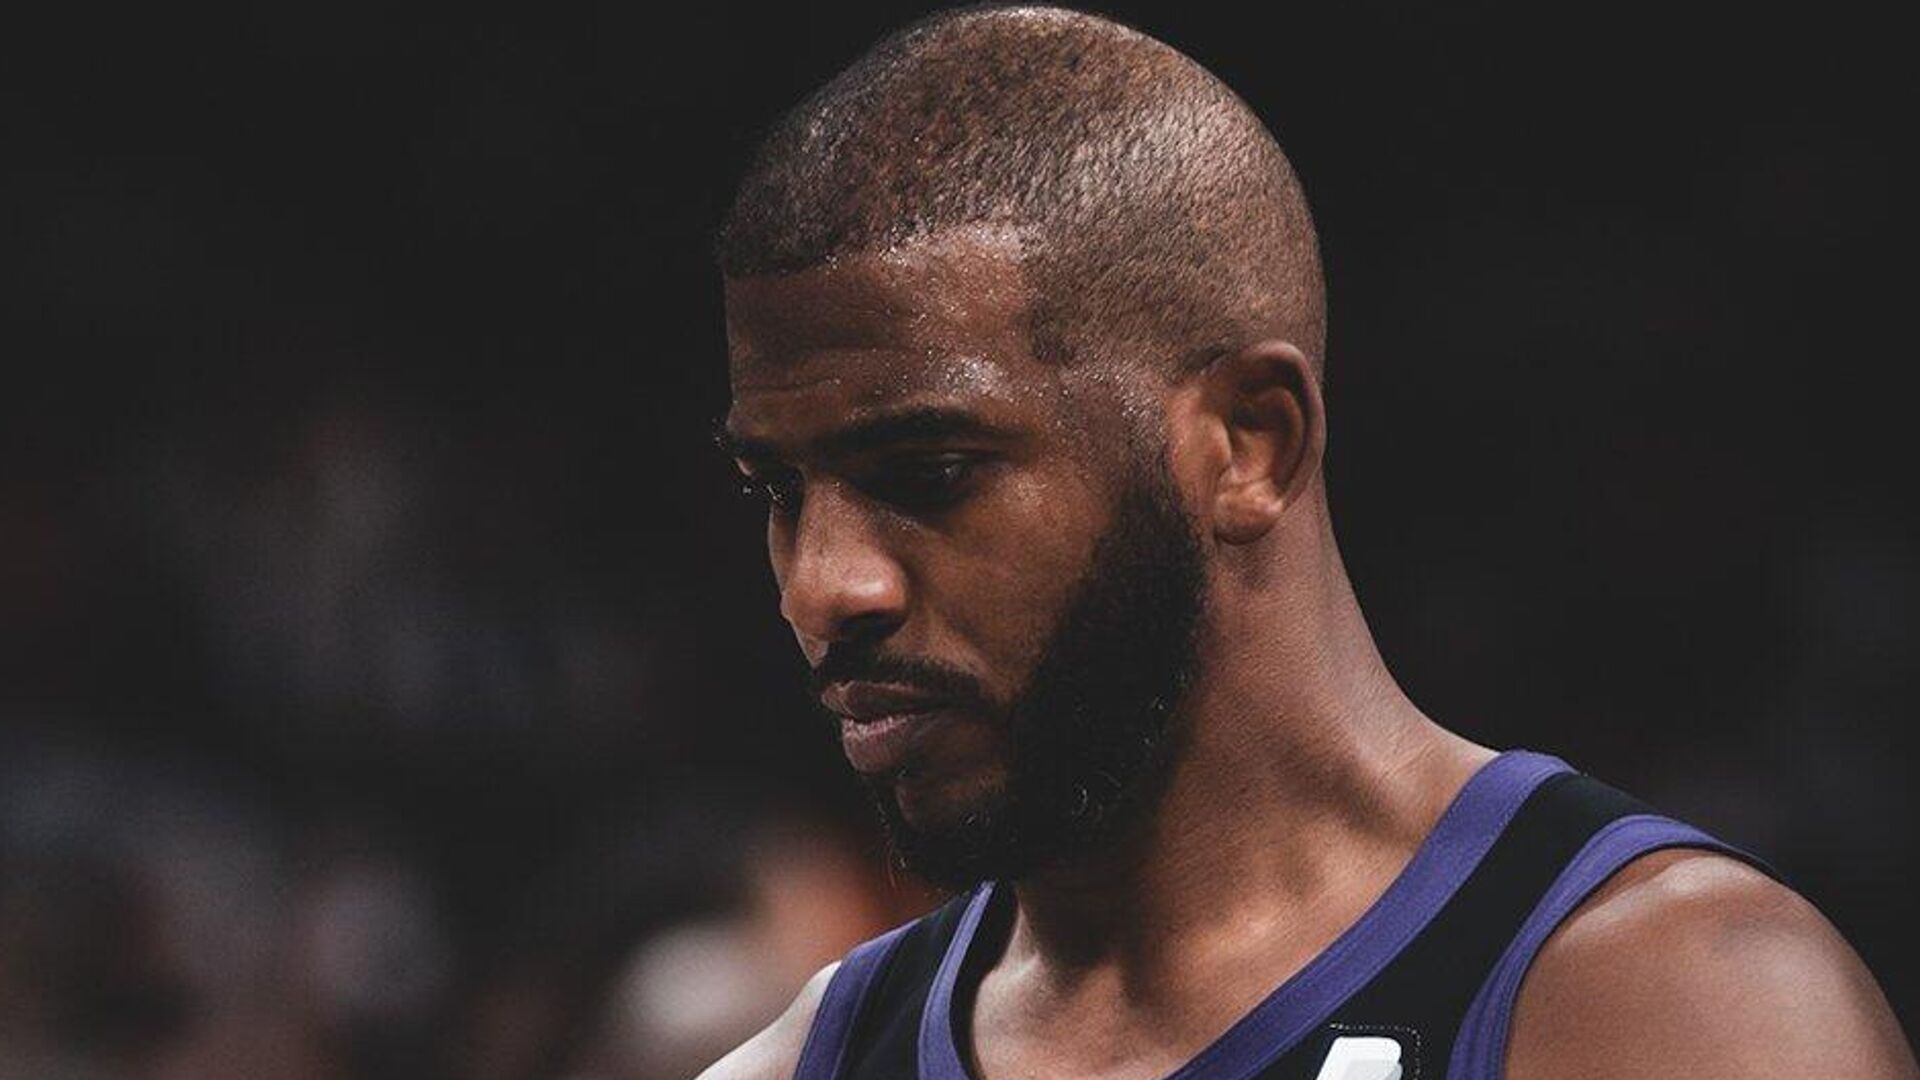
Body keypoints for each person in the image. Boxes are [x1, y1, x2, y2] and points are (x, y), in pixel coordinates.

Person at [700, 6, 1917, 1079]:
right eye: (777, 489)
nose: (822, 586)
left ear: (1248, 443)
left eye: (928, 473)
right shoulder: (793, 1064)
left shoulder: (1672, 1013)